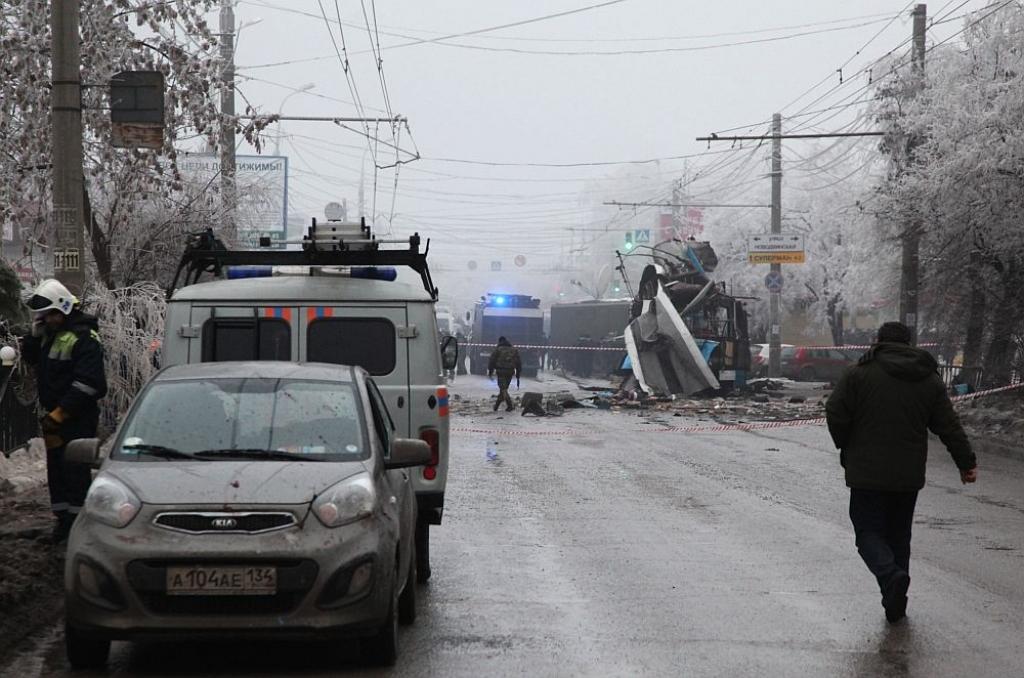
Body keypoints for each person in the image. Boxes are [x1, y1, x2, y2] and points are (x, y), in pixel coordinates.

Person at [826, 321, 976, 623]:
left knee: (868, 533)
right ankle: (895, 603)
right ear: (909, 344)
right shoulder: (928, 379)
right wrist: (966, 462)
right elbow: (948, 426)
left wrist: (847, 444)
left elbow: (835, 411)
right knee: (898, 538)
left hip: (867, 473)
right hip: (908, 476)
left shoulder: (859, 374)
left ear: (878, 341)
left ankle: (890, 576)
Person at [21, 279, 108, 542]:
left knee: (75, 471)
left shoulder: (84, 338)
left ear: (64, 309)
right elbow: (31, 359)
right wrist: (34, 338)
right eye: (43, 317)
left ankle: (79, 528)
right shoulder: (51, 335)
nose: (45, 320)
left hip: (76, 418)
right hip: (55, 418)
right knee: (57, 469)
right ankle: (63, 523)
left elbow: (90, 384)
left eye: (49, 316)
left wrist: (61, 413)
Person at [487, 336, 521, 412]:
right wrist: (518, 374)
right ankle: (496, 406)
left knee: (503, 389)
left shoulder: (498, 350)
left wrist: (490, 372)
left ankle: (510, 405)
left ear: (499, 342)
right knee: (503, 389)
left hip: (501, 372)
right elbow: (518, 363)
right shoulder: (514, 350)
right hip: (510, 372)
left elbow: (492, 361)